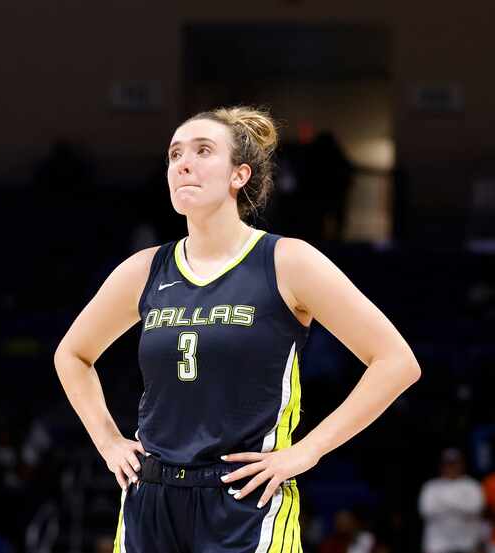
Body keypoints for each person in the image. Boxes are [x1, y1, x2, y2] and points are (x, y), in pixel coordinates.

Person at [53, 106, 421, 553]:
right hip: (151, 497)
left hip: (245, 500)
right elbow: (72, 354)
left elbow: (396, 361)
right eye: (174, 154)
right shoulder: (144, 269)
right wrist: (109, 441)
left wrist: (308, 451)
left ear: (239, 175)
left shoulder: (286, 261)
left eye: (203, 151)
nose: (182, 163)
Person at [418, 448, 485, 553]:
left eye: (454, 464)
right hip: (438, 544)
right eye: (448, 464)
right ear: (442, 465)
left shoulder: (471, 485)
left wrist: (445, 503)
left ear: (461, 465)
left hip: (466, 543)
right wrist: (460, 505)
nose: (451, 468)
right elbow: (426, 511)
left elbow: (475, 508)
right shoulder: (431, 486)